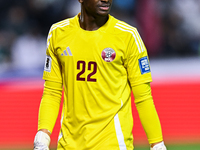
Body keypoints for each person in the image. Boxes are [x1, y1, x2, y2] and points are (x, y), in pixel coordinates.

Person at [34, 0, 167, 150]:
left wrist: (157, 144)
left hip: (113, 144)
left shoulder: (128, 36)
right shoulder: (58, 33)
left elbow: (143, 98)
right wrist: (43, 135)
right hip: (68, 145)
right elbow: (52, 92)